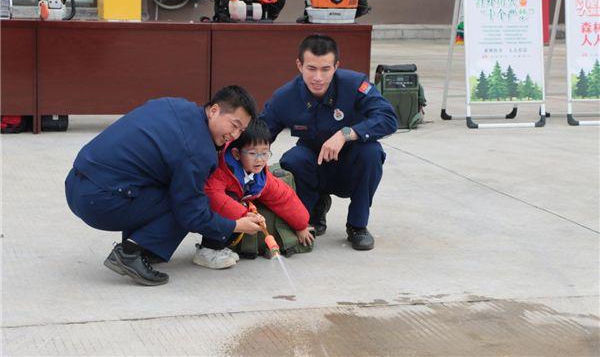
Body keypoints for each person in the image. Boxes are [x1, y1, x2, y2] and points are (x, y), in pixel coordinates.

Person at [65, 86, 264, 286]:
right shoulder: (197, 151)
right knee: (185, 201)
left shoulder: (176, 105)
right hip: (99, 201)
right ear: (214, 111)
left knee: (170, 184)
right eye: (234, 125)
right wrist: (235, 225)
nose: (235, 135)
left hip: (76, 181)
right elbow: (191, 212)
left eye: (242, 130)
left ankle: (147, 248)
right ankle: (130, 252)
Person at [260, 34, 398, 251]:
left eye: (325, 69)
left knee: (371, 152)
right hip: (314, 166)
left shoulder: (354, 85)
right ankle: (312, 212)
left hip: (352, 166)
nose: (318, 77)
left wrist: (346, 134)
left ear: (336, 66)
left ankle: (357, 226)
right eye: (311, 68)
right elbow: (260, 135)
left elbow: (388, 118)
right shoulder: (285, 97)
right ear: (299, 65)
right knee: (293, 159)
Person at [197, 119, 314, 269]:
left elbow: (284, 197)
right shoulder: (222, 169)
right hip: (198, 211)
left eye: (265, 153)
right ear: (236, 154)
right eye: (253, 153)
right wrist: (245, 214)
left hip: (232, 213)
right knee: (228, 200)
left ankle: (223, 246)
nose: (260, 160)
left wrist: (301, 225)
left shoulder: (261, 177)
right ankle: (208, 249)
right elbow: (213, 195)